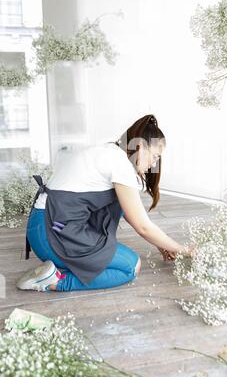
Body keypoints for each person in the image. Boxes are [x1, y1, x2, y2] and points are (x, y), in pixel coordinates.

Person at [17, 114, 194, 292]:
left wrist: (161, 244)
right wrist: (184, 250)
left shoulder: (111, 153)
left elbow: (131, 212)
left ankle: (64, 267)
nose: (154, 164)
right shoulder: (120, 164)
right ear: (140, 146)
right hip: (51, 234)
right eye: (155, 156)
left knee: (120, 253)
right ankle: (53, 281)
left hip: (46, 227)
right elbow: (143, 227)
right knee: (130, 267)